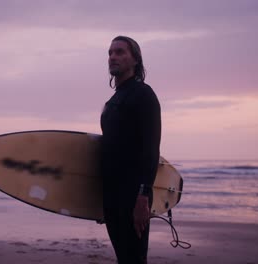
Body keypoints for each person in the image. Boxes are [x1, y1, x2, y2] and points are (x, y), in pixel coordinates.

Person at [100, 36, 161, 263]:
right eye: (110, 53)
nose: (113, 57)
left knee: (135, 259)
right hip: (112, 194)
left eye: (120, 52)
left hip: (133, 195)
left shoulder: (143, 95)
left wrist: (143, 197)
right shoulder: (115, 99)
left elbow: (151, 149)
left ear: (135, 59)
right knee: (124, 258)